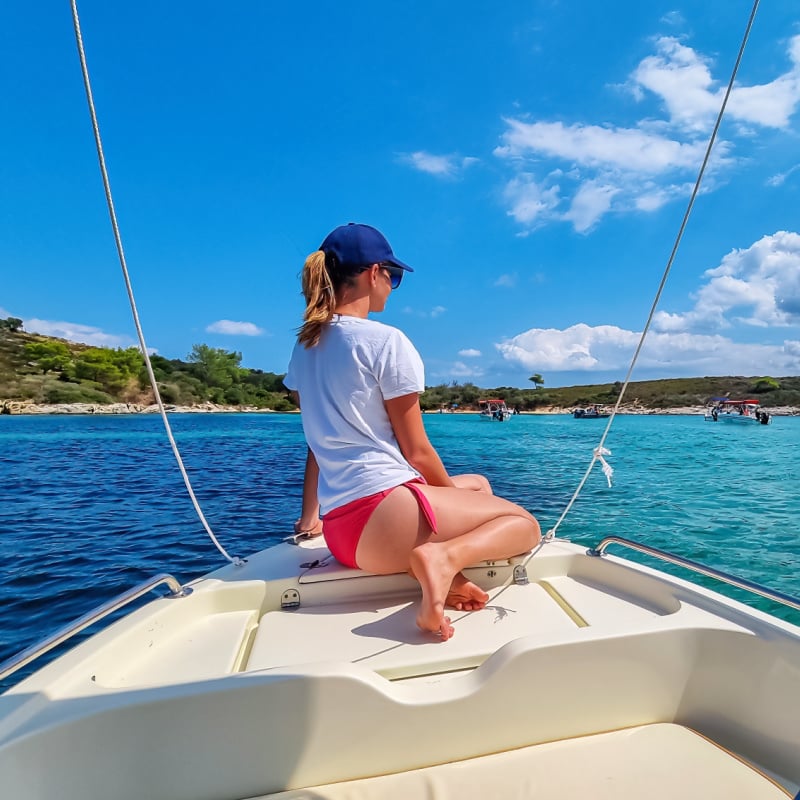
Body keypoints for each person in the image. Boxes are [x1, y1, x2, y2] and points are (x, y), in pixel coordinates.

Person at [284, 223, 540, 641]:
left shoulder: (306, 346)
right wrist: (447, 505)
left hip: (343, 536)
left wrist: (309, 517)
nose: (393, 285)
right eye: (394, 276)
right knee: (523, 524)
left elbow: (318, 443)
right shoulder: (385, 341)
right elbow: (417, 452)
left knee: (478, 485)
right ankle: (443, 559)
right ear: (373, 273)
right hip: (381, 519)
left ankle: (446, 573)